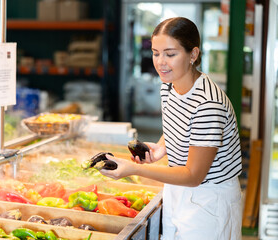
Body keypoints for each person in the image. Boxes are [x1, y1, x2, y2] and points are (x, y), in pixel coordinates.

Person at [99, 17, 242, 240]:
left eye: (170, 54)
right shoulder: (169, 86)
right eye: (156, 53)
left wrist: (134, 169)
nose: (160, 62)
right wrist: (160, 148)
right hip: (178, 189)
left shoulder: (208, 104)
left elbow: (193, 175)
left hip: (209, 200)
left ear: (193, 55)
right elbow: (179, 123)